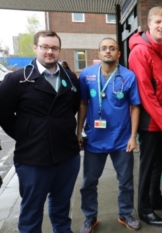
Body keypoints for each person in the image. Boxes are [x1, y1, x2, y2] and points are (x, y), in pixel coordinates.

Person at [0, 30, 81, 233]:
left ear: (59, 50)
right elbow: (4, 115)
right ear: (35, 48)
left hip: (67, 156)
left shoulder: (70, 78)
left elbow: (72, 108)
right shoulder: (16, 80)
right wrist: (27, 134)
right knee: (31, 212)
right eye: (44, 47)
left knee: (62, 209)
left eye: (54, 48)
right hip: (33, 159)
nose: (49, 52)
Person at [77, 38, 141, 232]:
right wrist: (78, 131)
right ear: (98, 52)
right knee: (88, 182)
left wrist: (133, 137)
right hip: (94, 139)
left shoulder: (128, 76)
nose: (108, 51)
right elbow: (83, 104)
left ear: (118, 53)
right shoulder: (87, 75)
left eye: (112, 48)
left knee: (126, 181)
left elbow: (136, 107)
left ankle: (125, 213)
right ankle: (90, 217)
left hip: (121, 139)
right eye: (104, 48)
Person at [128, 6, 162, 227]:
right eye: (157, 22)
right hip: (152, 122)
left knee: (158, 163)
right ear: (149, 24)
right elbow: (146, 93)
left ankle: (155, 198)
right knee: (148, 165)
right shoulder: (141, 52)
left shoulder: (160, 51)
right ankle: (144, 209)